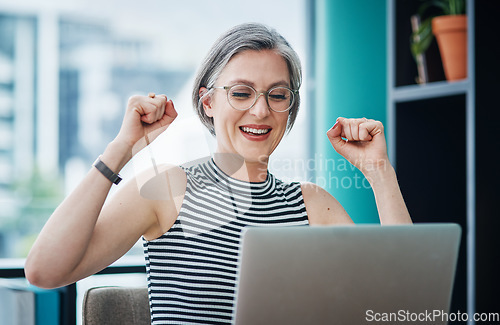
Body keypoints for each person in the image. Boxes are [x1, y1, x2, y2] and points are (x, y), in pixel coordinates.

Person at [25, 23, 412, 324]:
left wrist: (379, 172)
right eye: (242, 93)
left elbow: (406, 309)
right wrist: (121, 149)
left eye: (277, 95)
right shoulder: (168, 189)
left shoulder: (311, 204)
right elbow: (44, 270)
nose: (261, 111)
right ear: (208, 102)